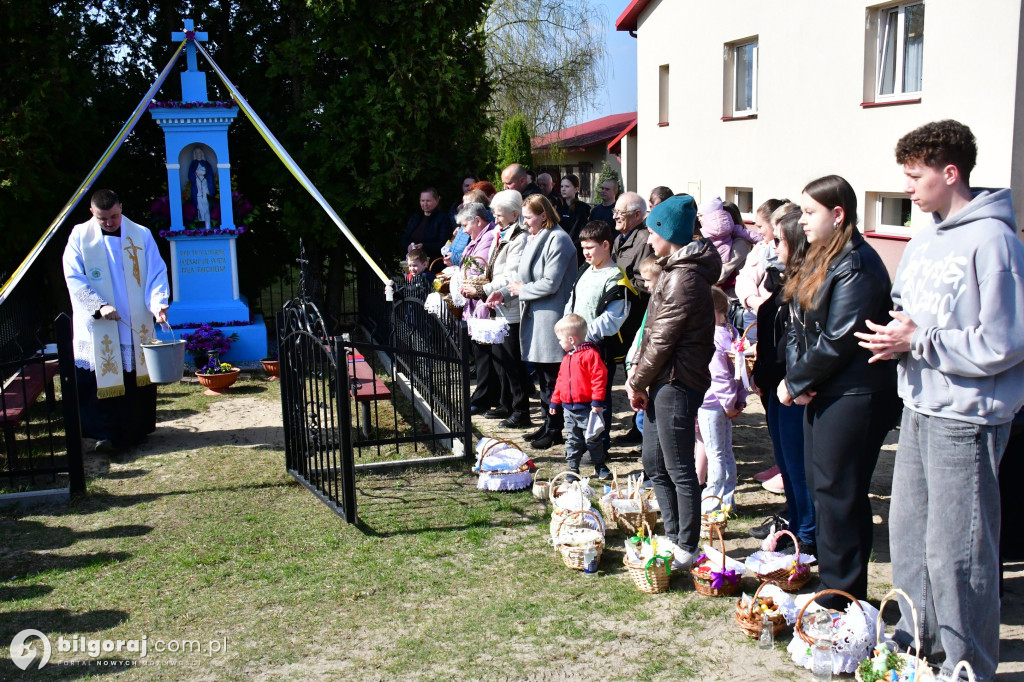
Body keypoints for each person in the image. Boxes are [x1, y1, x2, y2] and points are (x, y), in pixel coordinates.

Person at [854, 120, 1024, 682]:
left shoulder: (995, 240)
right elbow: (910, 307)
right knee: (908, 540)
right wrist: (893, 339)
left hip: (967, 419)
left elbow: (1003, 344)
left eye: (915, 175)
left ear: (950, 173)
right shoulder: (925, 236)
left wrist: (918, 340)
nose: (908, 187)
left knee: (959, 555)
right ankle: (916, 646)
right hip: (919, 407)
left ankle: (967, 666)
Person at [777, 175, 898, 609]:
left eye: (809, 212)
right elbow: (796, 323)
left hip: (855, 395)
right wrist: (802, 381)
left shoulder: (858, 265)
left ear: (838, 214)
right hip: (823, 392)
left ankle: (843, 599)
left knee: (839, 495)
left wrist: (795, 383)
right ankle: (833, 588)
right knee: (823, 492)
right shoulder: (818, 256)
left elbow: (840, 339)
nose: (802, 221)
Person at [626, 195, 721, 568]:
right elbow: (652, 333)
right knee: (654, 461)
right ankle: (672, 531)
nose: (649, 240)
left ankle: (686, 544)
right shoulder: (672, 268)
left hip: (677, 382)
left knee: (679, 466)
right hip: (660, 380)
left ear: (670, 234)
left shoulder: (685, 277)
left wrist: (635, 382)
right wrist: (643, 382)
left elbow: (663, 339)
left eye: (653, 232)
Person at [62, 189, 170, 453]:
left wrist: (158, 305)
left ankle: (136, 430)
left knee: (135, 376)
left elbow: (157, 271)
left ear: (121, 207)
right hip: (100, 320)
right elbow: (74, 276)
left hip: (136, 318)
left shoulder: (141, 234)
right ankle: (104, 435)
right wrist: (98, 306)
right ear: (92, 213)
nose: (109, 222)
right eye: (102, 218)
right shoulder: (80, 235)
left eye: (113, 216)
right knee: (99, 375)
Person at [749, 206, 815, 555]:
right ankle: (796, 520)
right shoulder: (785, 279)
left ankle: (808, 533)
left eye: (780, 242)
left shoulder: (808, 284)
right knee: (786, 462)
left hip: (793, 388)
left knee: (799, 465)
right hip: (776, 385)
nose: (774, 248)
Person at [508, 194, 577, 450]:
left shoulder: (558, 239)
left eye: (528, 217)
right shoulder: (534, 237)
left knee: (551, 376)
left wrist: (521, 291)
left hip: (551, 314)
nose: (525, 223)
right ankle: (547, 421)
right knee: (542, 374)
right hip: (536, 313)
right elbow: (519, 277)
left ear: (544, 215)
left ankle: (555, 428)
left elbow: (551, 282)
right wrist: (504, 291)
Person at [564, 220, 637, 458]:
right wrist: (566, 328)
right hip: (576, 347)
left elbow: (612, 319)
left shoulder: (617, 279)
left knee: (598, 400)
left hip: (598, 350)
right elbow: (572, 303)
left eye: (591, 248)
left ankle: (598, 447)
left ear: (606, 245)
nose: (585, 253)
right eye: (583, 248)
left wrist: (582, 337)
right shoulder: (585, 270)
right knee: (579, 397)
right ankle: (583, 441)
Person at [481, 190, 532, 428]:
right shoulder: (502, 233)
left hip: (509, 306)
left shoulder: (519, 237)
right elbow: (493, 266)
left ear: (514, 214)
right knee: (500, 359)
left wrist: (484, 289)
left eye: (499, 214)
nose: (495, 218)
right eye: (493, 213)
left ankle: (521, 410)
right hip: (496, 304)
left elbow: (512, 275)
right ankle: (506, 402)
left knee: (512, 360)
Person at [697, 287, 747, 514]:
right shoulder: (733, 333)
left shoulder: (714, 338)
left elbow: (720, 376)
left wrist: (729, 403)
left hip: (712, 404)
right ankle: (728, 500)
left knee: (715, 453)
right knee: (726, 452)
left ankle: (712, 501)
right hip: (726, 403)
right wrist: (739, 399)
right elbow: (741, 371)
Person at [612, 191, 655, 445]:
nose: (615, 216)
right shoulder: (621, 237)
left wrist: (622, 285)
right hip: (624, 316)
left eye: (621, 213)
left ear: (637, 215)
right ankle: (637, 426)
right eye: (615, 212)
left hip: (638, 314)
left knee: (638, 371)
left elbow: (645, 280)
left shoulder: (645, 241)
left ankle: (640, 430)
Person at [549, 314, 608, 478]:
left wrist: (597, 401)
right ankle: (573, 469)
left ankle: (600, 465)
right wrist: (555, 402)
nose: (559, 343)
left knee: (593, 439)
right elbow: (560, 381)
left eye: (560, 340)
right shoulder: (567, 358)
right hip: (568, 409)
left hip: (587, 408)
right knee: (572, 440)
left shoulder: (590, 355)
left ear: (571, 339)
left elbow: (599, 378)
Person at [457, 203, 500, 415]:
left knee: (484, 353)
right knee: (480, 351)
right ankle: (485, 395)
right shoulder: (477, 238)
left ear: (477, 221)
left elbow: (475, 268)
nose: (464, 230)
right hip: (474, 301)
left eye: (466, 225)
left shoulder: (489, 236)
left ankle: (484, 397)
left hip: (484, 301)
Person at [401, 187, 455, 261]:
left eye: (428, 201)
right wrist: (408, 246)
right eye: (422, 201)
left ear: (437, 201)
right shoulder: (415, 217)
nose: (425, 204)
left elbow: (444, 244)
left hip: (433, 261)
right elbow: (405, 238)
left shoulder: (443, 219)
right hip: (413, 260)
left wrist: (424, 246)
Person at [557, 174, 591, 266]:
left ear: (576, 189)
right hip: (559, 249)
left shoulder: (581, 209)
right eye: (562, 186)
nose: (563, 189)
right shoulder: (559, 208)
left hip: (575, 252)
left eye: (567, 186)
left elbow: (579, 231)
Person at [188, 147, 216, 229]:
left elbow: (210, 175)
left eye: (199, 152)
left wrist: (204, 176)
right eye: (196, 153)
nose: (198, 154)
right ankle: (200, 219)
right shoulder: (193, 164)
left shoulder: (206, 164)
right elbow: (190, 175)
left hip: (205, 184)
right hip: (197, 186)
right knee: (199, 202)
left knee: (206, 201)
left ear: (202, 154)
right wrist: (196, 177)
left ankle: (207, 219)